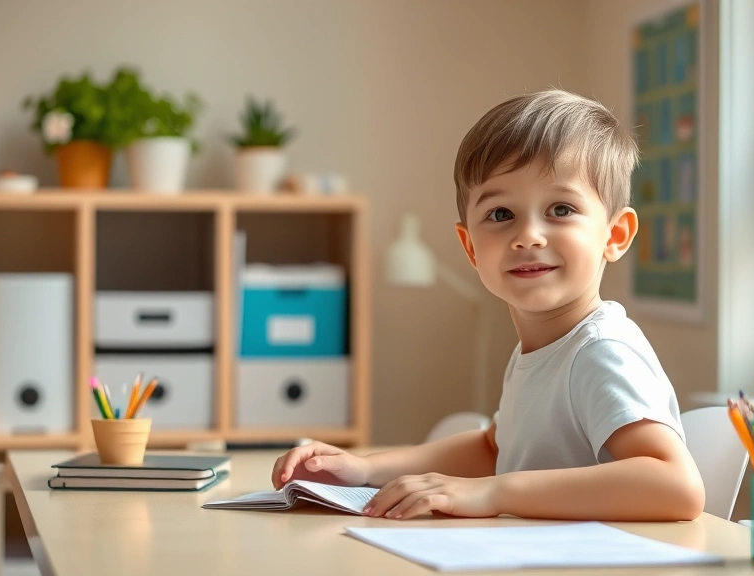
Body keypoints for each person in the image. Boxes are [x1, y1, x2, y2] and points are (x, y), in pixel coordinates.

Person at [271, 89, 705, 521]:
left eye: (560, 208)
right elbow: (491, 448)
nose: (528, 236)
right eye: (501, 214)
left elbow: (676, 486)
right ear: (471, 246)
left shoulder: (600, 351)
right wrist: (367, 469)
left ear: (615, 235)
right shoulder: (538, 351)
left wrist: (495, 494)